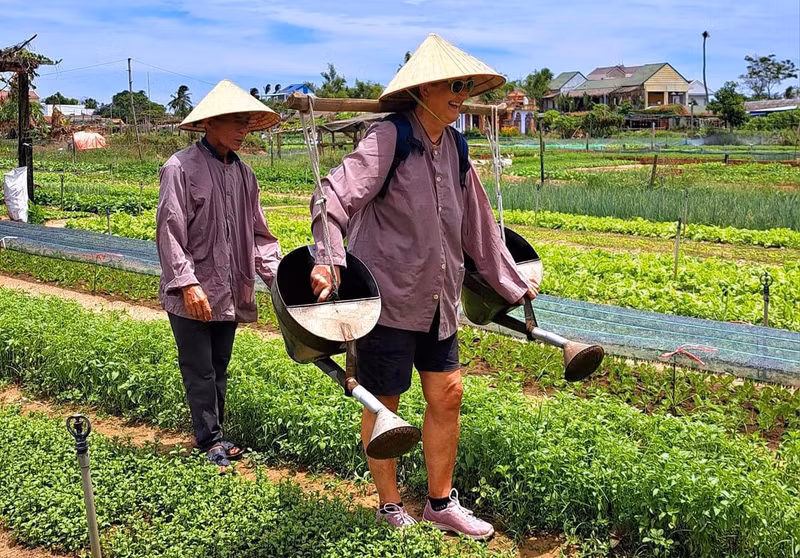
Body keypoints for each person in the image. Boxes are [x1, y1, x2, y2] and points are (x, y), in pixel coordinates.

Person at [308, 34, 539, 539]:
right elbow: (332, 196)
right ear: (422, 90)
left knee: (448, 394)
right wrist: (328, 258)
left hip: (439, 301)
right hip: (388, 299)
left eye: (465, 86)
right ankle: (389, 506)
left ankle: (440, 502)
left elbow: (479, 227)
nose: (461, 94)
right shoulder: (389, 138)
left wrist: (510, 280)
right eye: (452, 86)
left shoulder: (456, 147)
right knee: (385, 403)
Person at [156, 79, 281, 472]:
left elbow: (260, 235)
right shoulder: (180, 168)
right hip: (193, 290)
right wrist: (187, 283)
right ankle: (209, 439)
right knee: (200, 367)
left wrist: (278, 279)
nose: (244, 130)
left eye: (247, 123)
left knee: (219, 365)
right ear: (210, 123)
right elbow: (170, 232)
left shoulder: (245, 175)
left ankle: (214, 434)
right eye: (236, 122)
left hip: (229, 289)